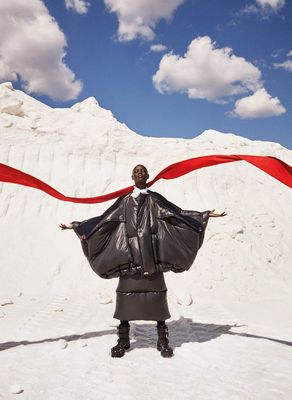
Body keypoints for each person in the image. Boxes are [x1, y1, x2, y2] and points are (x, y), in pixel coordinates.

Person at [60, 165, 226, 358]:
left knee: (158, 302)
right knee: (125, 304)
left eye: (143, 171)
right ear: (131, 176)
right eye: (136, 172)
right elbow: (104, 219)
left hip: (151, 260)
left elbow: (178, 214)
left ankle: (162, 340)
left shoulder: (155, 199)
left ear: (148, 176)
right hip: (129, 262)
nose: (140, 174)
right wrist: (79, 227)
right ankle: (123, 341)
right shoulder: (124, 201)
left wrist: (203, 216)